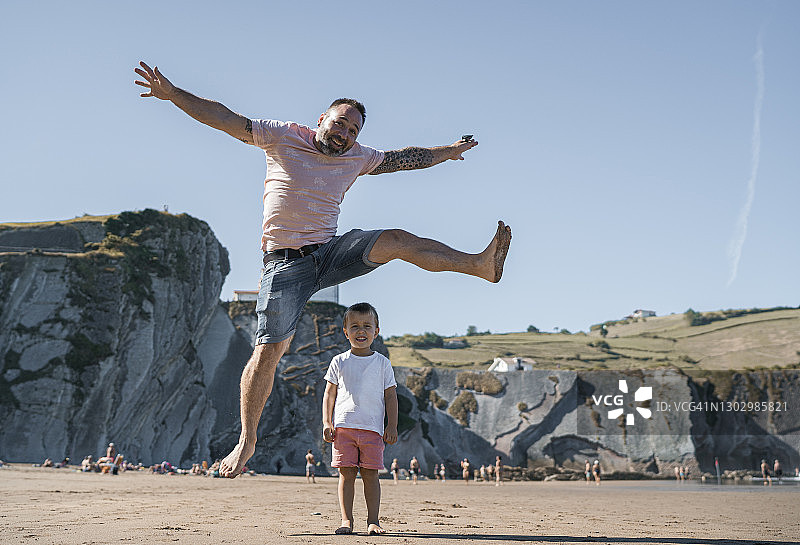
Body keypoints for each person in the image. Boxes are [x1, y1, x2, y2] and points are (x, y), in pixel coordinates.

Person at [135, 62, 512, 479]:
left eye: (353, 130)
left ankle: (478, 265)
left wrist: (449, 151)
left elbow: (407, 158)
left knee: (396, 239)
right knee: (268, 352)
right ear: (322, 119)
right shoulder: (282, 136)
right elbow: (223, 118)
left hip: (331, 253)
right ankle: (247, 441)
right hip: (284, 264)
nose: (345, 134)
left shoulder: (358, 157)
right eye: (340, 123)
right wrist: (174, 94)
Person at [322, 303, 398, 535]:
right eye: (354, 326)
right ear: (346, 332)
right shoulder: (339, 361)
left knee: (371, 475)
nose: (361, 331)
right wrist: (327, 422)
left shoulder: (382, 363)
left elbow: (391, 396)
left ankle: (373, 521)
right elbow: (330, 394)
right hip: (343, 428)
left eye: (367, 326)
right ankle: (346, 520)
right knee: (346, 475)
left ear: (376, 331)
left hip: (372, 429)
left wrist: (392, 425)